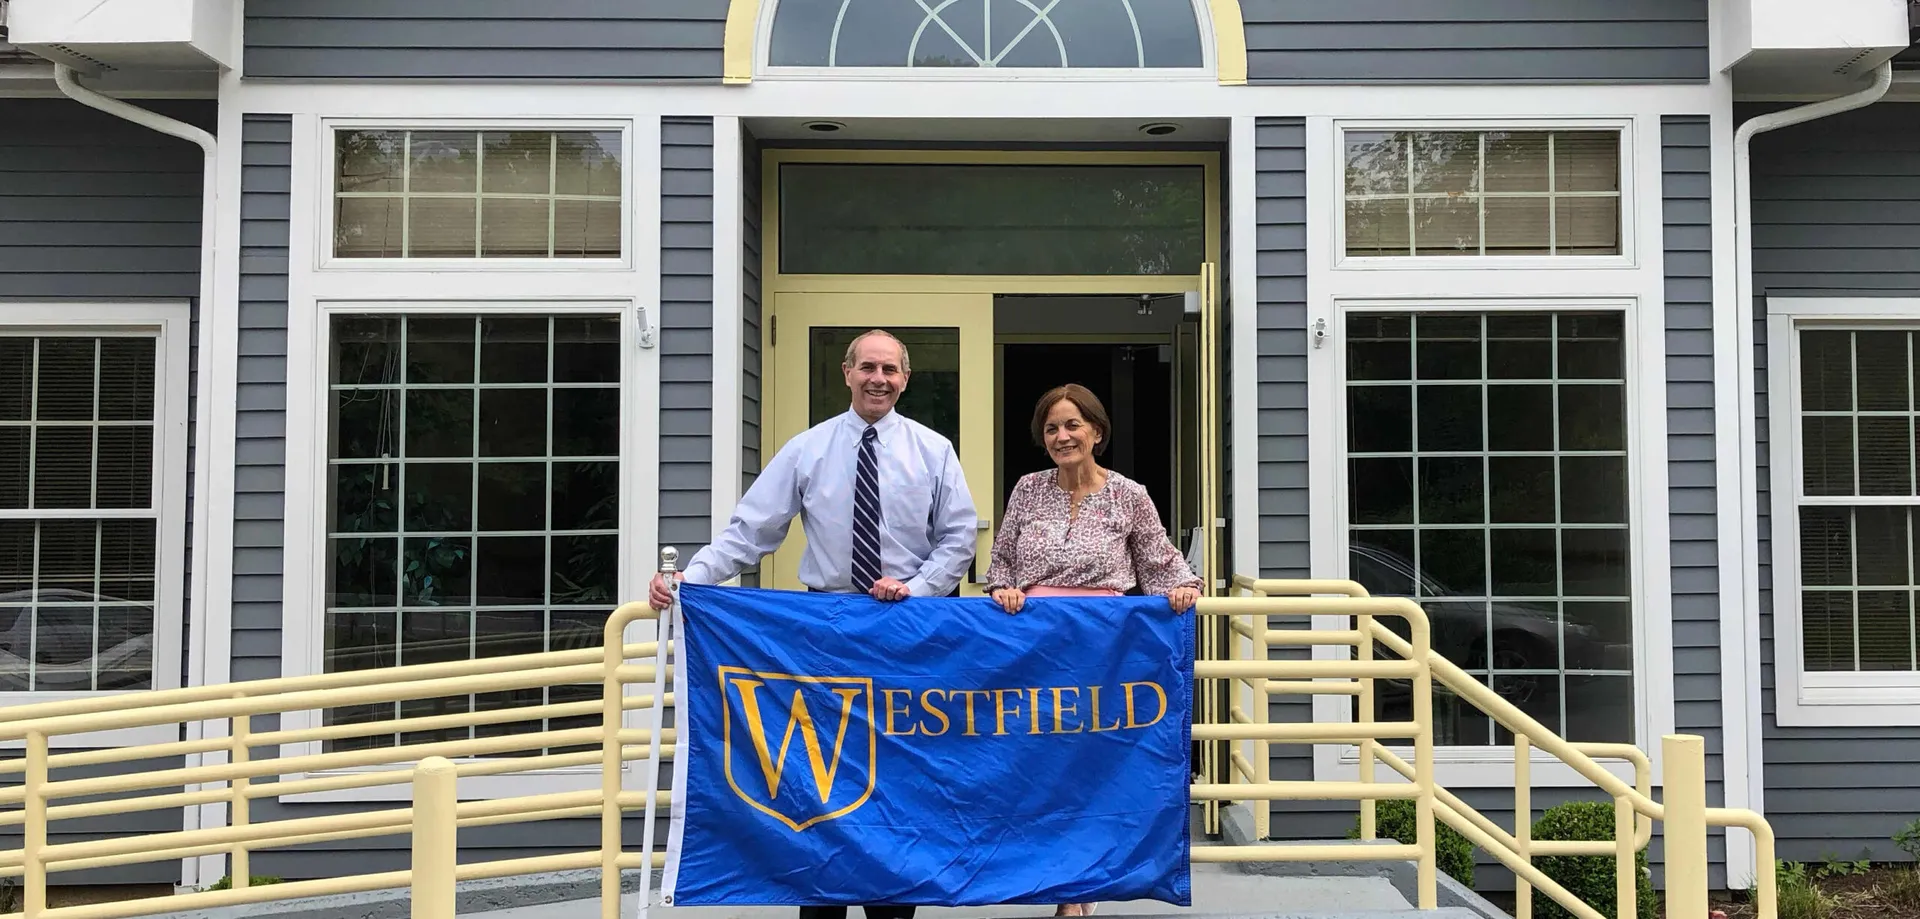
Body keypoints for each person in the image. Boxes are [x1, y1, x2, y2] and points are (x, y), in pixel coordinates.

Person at [984, 383, 1201, 918]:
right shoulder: (1027, 490)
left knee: (1089, 768)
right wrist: (1003, 590)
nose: (1062, 436)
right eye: (1052, 428)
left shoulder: (1130, 494)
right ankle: (1051, 877)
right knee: (1038, 767)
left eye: (1072, 425)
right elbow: (1001, 563)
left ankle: (1078, 889)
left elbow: (1161, 564)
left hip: (1103, 651)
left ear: (1096, 433)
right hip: (1033, 647)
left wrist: (1182, 589)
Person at [650, 328, 978, 613]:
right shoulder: (806, 449)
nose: (878, 378)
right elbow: (750, 531)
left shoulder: (934, 450)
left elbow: (959, 537)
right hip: (827, 618)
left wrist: (916, 589)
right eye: (867, 367)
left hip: (912, 613)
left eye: (889, 369)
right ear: (847, 372)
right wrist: (689, 578)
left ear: (904, 379)